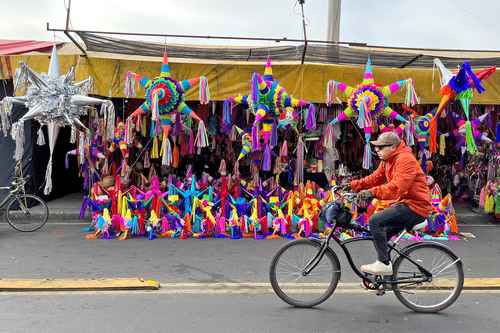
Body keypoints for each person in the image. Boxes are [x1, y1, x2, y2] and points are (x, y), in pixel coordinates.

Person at [351, 132, 432, 275]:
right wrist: (354, 185)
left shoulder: (405, 160)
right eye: (376, 148)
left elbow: (396, 187)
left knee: (375, 221)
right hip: (404, 204)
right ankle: (386, 278)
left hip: (416, 207)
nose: (377, 151)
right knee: (380, 235)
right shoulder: (388, 160)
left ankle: (384, 264)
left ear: (393, 147)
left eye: (381, 147)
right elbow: (375, 178)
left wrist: (371, 192)